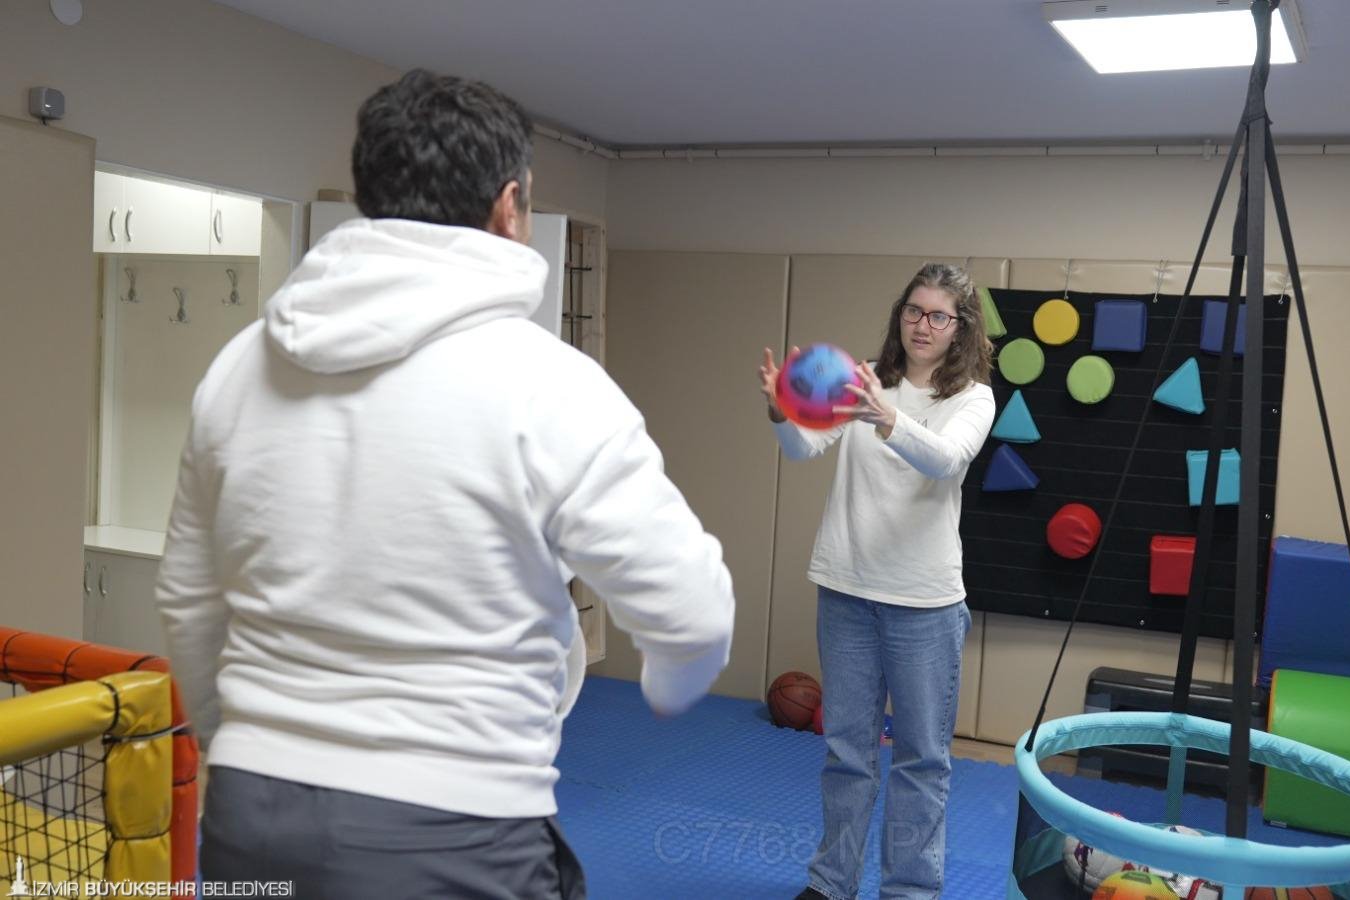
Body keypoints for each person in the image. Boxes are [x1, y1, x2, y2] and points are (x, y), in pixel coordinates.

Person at [155, 69, 736, 900]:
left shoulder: (238, 368)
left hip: (252, 818)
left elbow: (188, 598)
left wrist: (240, 742)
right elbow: (692, 613)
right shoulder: (549, 383)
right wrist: (670, 686)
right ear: (509, 206)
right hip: (456, 827)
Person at [760, 264, 997, 900]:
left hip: (924, 605)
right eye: (914, 310)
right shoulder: (866, 377)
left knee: (921, 759)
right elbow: (804, 448)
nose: (923, 325)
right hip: (846, 590)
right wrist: (782, 411)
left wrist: (885, 416)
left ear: (960, 328)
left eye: (939, 315)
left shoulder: (972, 398)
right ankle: (830, 884)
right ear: (901, 315)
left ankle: (909, 891)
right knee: (847, 752)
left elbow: (945, 461)